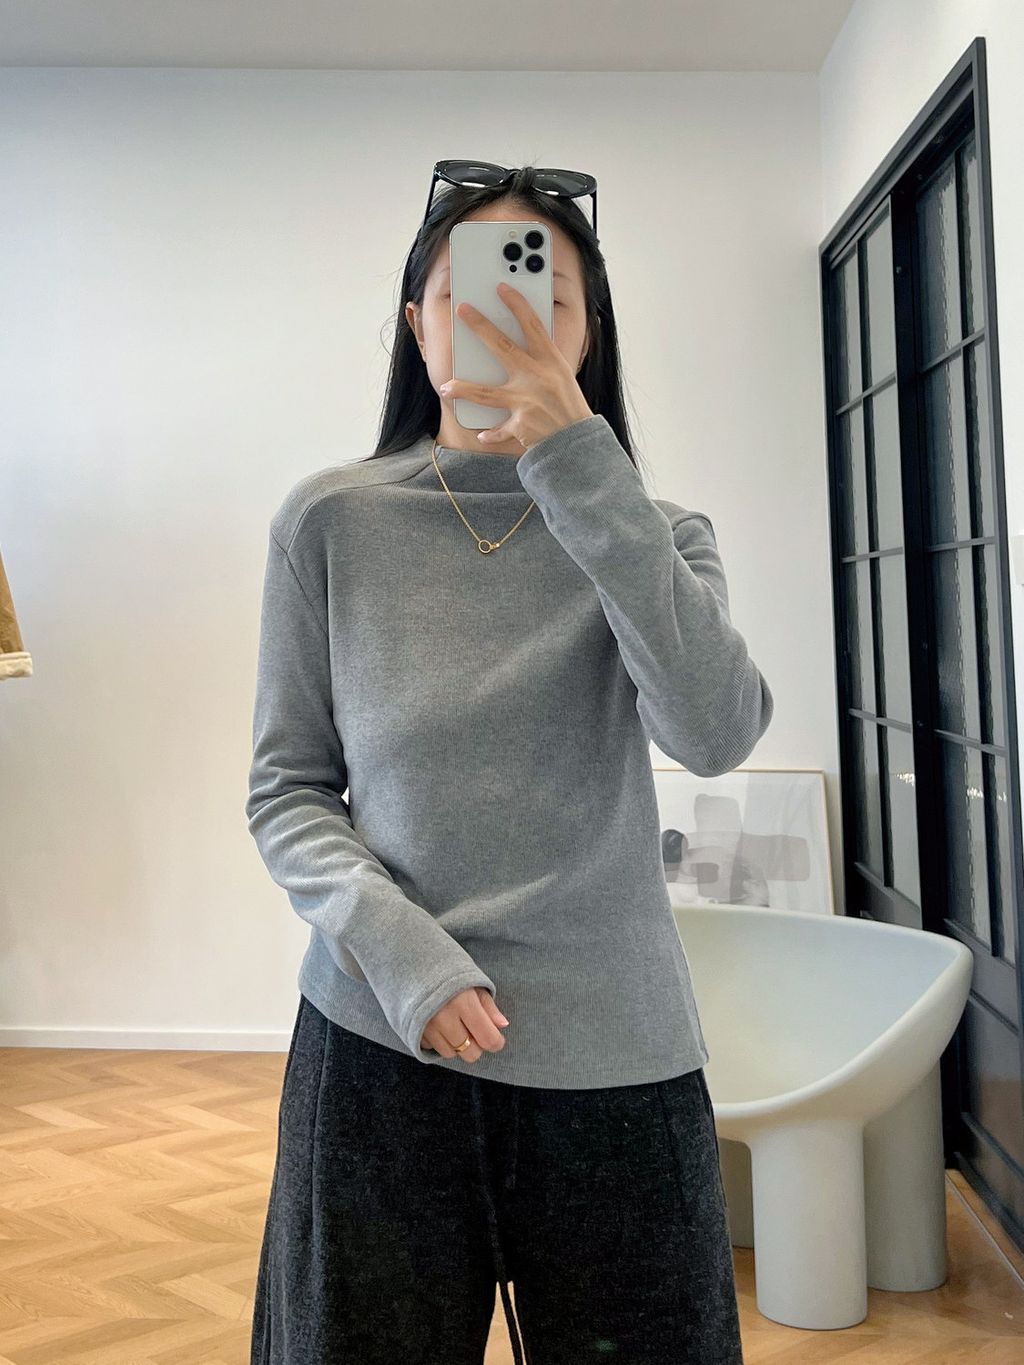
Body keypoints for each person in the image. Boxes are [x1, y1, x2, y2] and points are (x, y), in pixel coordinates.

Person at [246, 161, 772, 1364]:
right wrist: (406, 960)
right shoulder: (330, 521)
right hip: (378, 1037)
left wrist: (582, 468)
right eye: (466, 293)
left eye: (545, 299)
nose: (502, 319)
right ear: (417, 323)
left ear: (588, 336)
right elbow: (287, 790)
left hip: (617, 1055)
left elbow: (713, 732)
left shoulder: (657, 534)